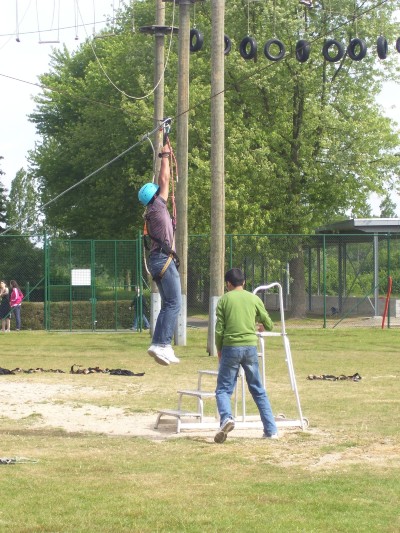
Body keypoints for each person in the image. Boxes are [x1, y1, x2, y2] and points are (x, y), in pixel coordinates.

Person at [214, 268, 278, 443]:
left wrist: (218, 349)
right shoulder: (254, 298)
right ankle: (271, 430)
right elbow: (269, 323)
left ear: (228, 283)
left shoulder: (224, 300)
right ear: (244, 282)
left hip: (230, 347)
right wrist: (259, 327)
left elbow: (219, 329)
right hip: (250, 347)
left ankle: (227, 418)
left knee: (223, 389)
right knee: (257, 389)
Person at [138, 132, 181, 366]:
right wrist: (165, 150)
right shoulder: (157, 207)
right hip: (163, 260)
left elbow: (163, 181)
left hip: (158, 261)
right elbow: (164, 178)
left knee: (168, 304)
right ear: (154, 195)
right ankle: (163, 344)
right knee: (175, 303)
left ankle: (158, 343)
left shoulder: (153, 210)